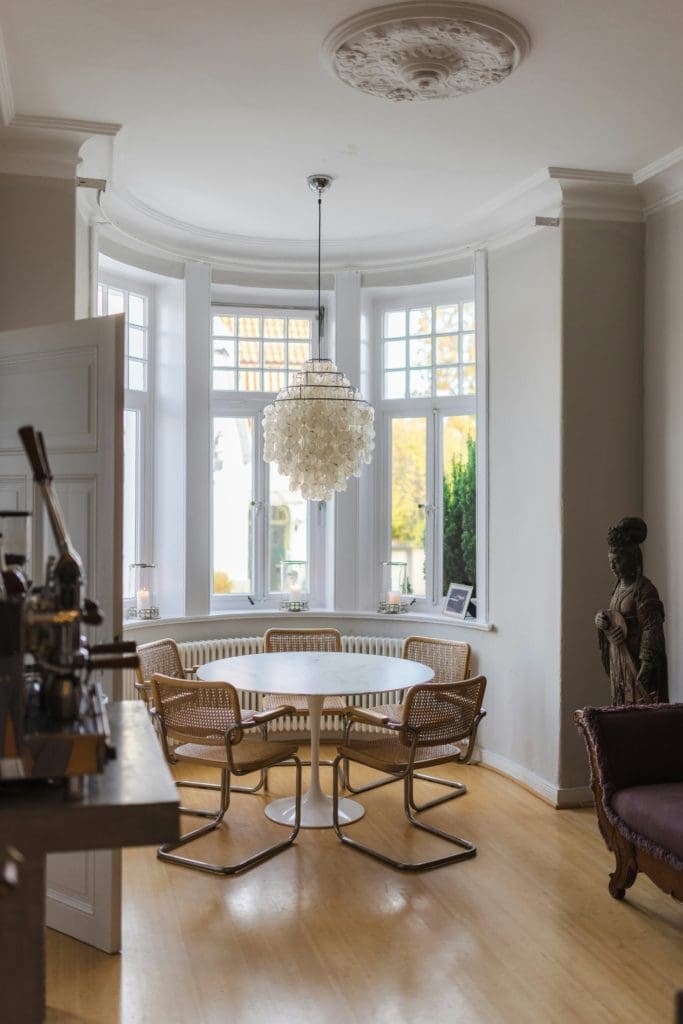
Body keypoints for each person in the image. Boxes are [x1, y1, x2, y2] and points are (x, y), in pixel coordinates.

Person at [595, 516, 668, 705]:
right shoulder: (617, 590)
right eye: (610, 561)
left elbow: (652, 628)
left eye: (617, 561)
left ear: (630, 558)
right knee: (621, 703)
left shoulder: (645, 590)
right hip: (619, 660)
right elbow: (613, 618)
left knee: (640, 706)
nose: (612, 566)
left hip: (636, 659)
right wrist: (600, 620)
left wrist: (647, 663)